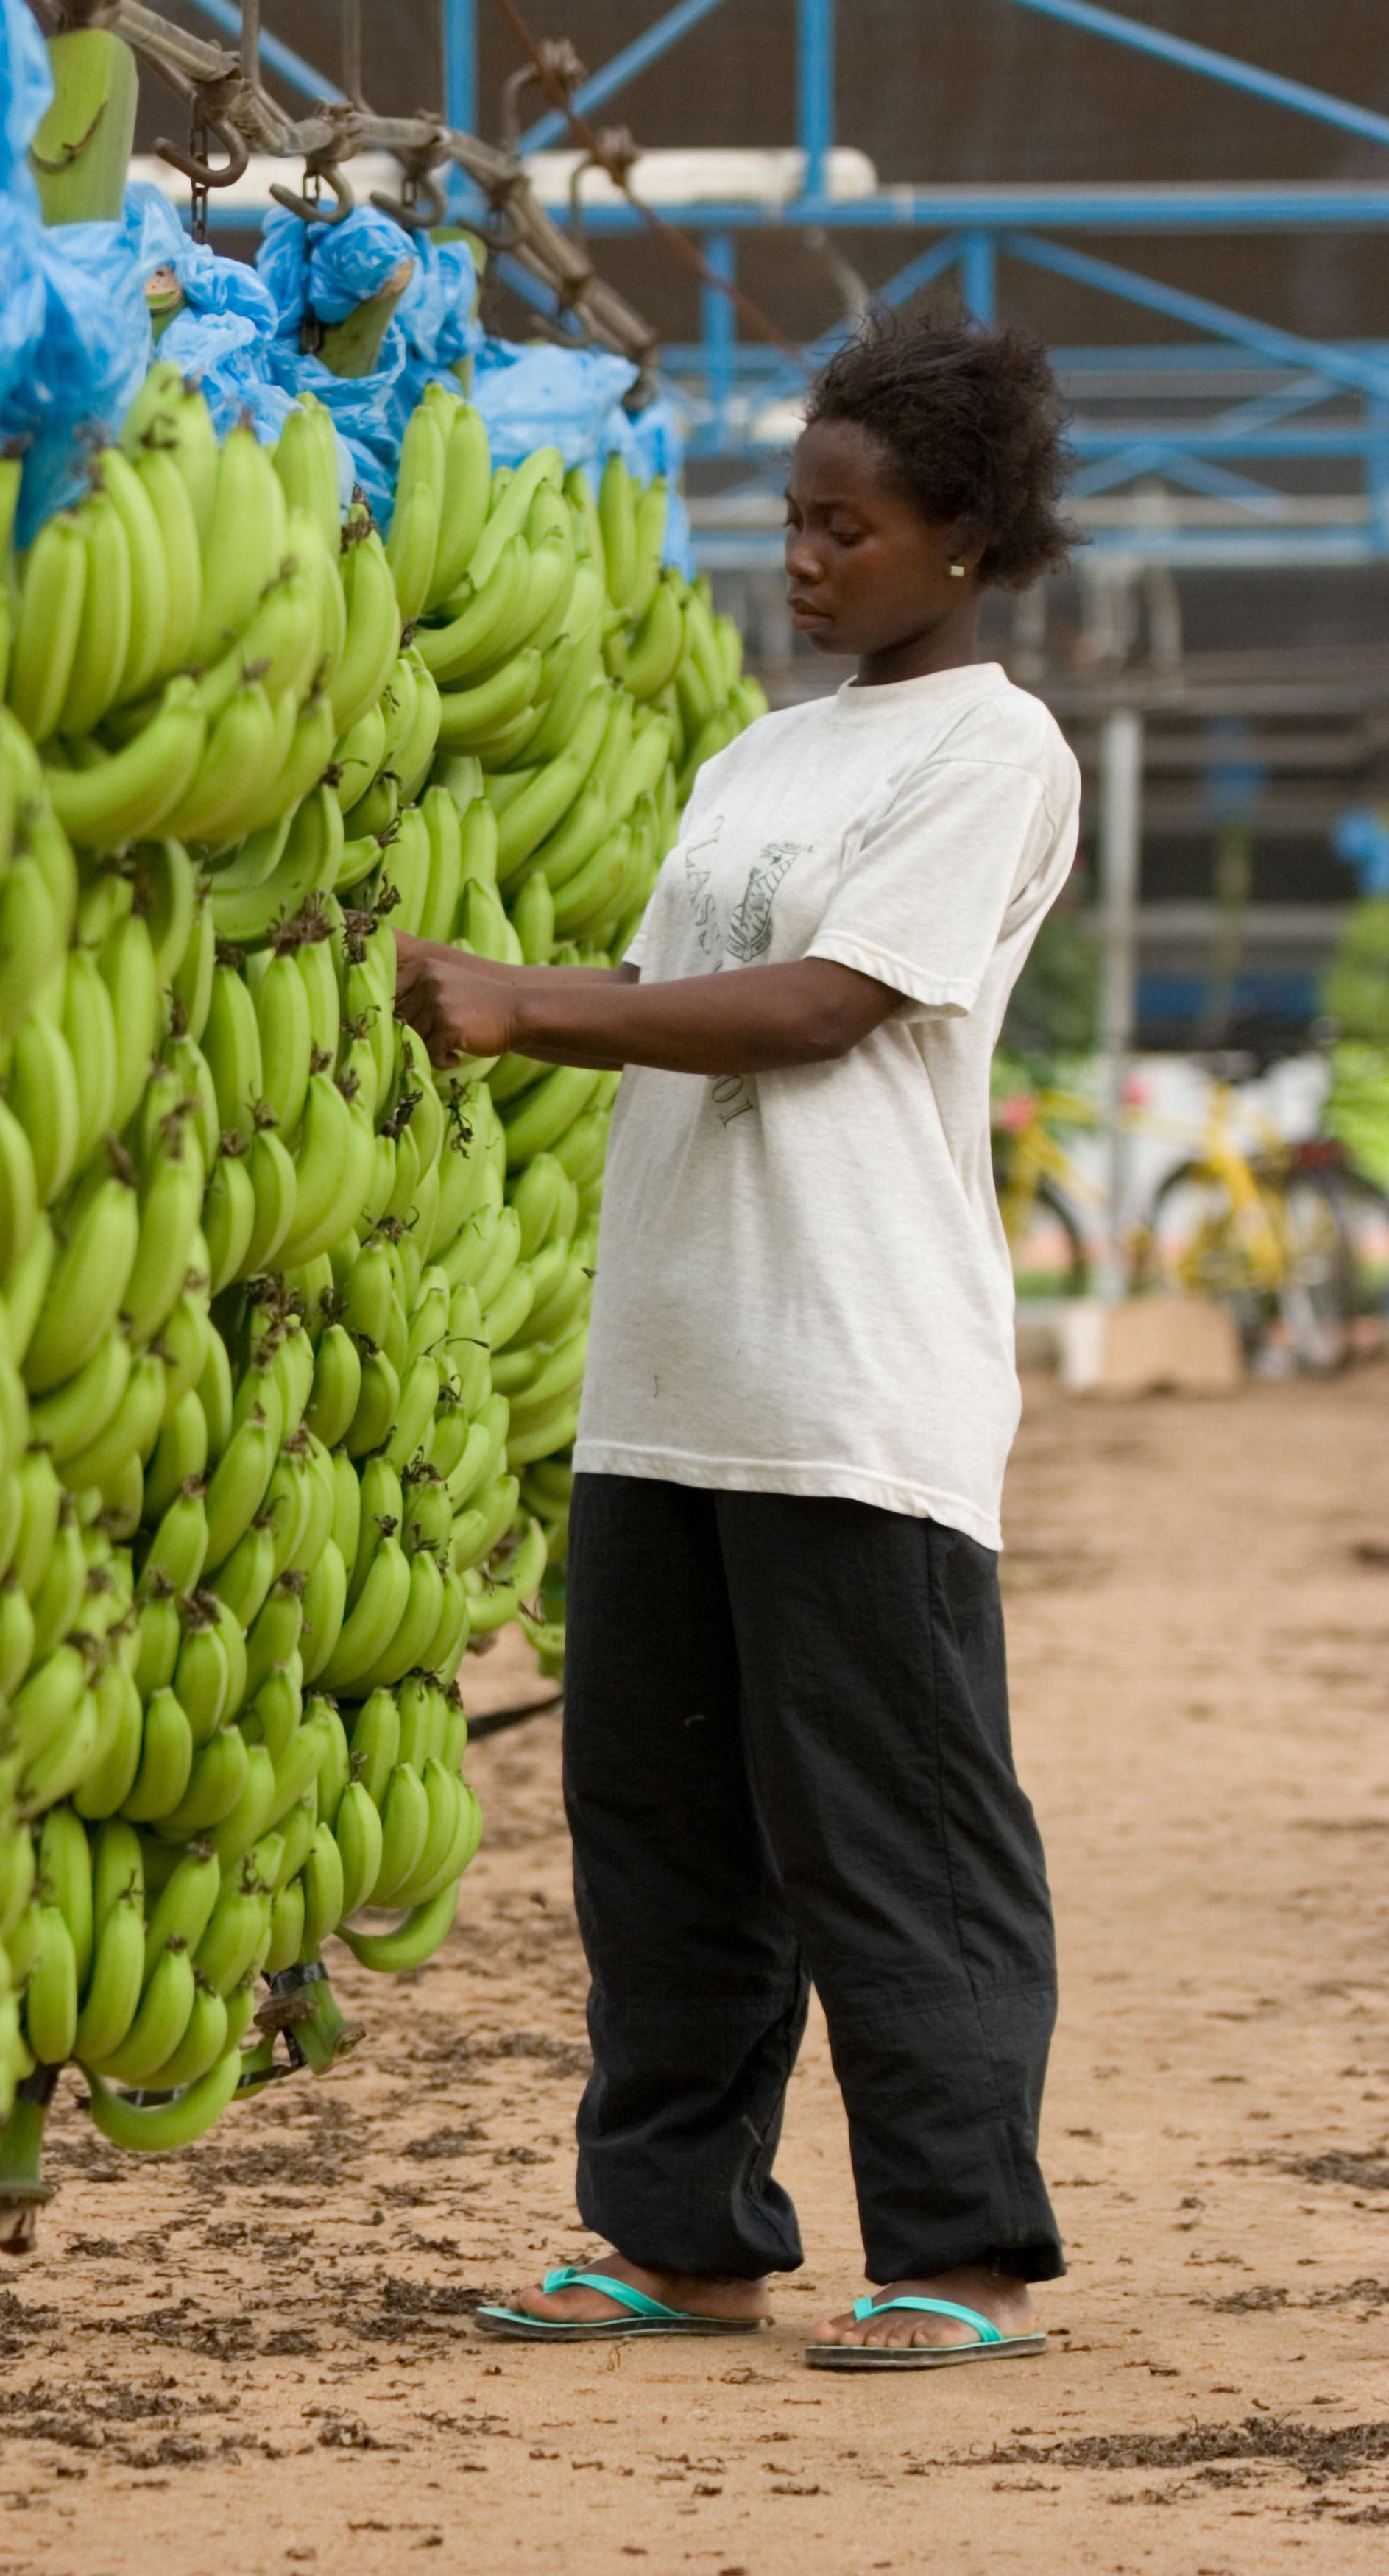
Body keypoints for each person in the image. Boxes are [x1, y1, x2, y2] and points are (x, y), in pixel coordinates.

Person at [398, 302, 1084, 2371]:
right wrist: (511, 994)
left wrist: (532, 1003)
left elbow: (819, 1004)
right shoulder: (762, 753)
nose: (797, 559)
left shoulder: (996, 751)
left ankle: (957, 2250)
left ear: (959, 540)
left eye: (843, 528)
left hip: (849, 1373)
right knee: (662, 1830)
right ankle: (678, 2231)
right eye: (788, 518)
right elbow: (691, 979)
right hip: (671, 1369)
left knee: (890, 1825)